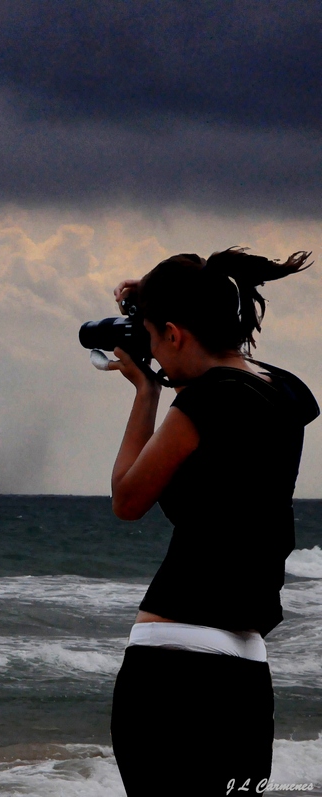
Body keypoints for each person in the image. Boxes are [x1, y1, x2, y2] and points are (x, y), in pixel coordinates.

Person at [104, 248, 318, 795]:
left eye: (154, 338)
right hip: (246, 672)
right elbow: (223, 367)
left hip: (172, 670)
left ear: (175, 334)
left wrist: (146, 393)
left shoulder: (200, 405)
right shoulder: (283, 391)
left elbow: (128, 499)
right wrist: (155, 306)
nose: (151, 353)